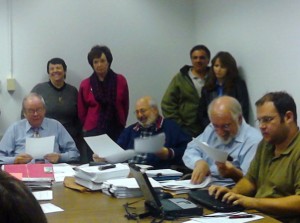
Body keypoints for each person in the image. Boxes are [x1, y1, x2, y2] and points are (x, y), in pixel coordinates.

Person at [209, 92, 300, 223]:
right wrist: (232, 194)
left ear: (288, 117)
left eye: (267, 120)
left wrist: (253, 202)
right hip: (256, 215)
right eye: (260, 120)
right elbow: (251, 180)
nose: (261, 126)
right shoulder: (267, 144)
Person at [94, 96, 191, 169]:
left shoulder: (171, 128)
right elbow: (117, 152)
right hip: (129, 173)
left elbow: (188, 150)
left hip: (155, 174)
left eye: (143, 111)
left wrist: (168, 153)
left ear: (155, 110)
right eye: (137, 112)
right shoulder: (130, 130)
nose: (140, 115)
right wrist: (104, 157)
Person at [183, 96, 261, 186]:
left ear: (239, 119)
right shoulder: (211, 128)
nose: (220, 132)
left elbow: (250, 184)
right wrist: (198, 162)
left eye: (226, 126)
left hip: (230, 191)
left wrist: (233, 173)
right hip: (202, 186)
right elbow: (191, 148)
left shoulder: (253, 141)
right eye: (216, 126)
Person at [78, 45, 129, 161]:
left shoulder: (120, 80)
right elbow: (82, 112)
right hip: (94, 132)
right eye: (95, 62)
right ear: (92, 64)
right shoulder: (85, 84)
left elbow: (125, 106)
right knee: (94, 165)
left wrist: (120, 122)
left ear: (109, 62)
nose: (99, 65)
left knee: (116, 164)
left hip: (116, 129)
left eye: (102, 61)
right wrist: (88, 127)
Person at [0, 93, 80, 164]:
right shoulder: (15, 128)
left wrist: (60, 157)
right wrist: (15, 160)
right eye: (31, 111)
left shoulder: (56, 125)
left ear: (44, 110)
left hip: (53, 173)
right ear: (24, 113)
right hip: (23, 173)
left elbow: (75, 153)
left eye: (39, 109)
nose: (36, 114)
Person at [30, 58, 81, 149]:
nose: (55, 71)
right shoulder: (39, 89)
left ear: (64, 71)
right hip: (45, 138)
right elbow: (27, 112)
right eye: (52, 69)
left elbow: (79, 116)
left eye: (58, 68)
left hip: (69, 139)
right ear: (48, 73)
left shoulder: (73, 91)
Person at [161, 45, 210, 137]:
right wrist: (179, 126)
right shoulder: (180, 78)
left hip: (211, 129)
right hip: (187, 129)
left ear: (208, 60)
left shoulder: (214, 78)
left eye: (202, 58)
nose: (198, 60)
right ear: (191, 60)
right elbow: (167, 104)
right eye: (195, 58)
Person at [201, 52, 250, 126]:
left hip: (233, 126)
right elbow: (202, 112)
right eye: (216, 66)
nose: (218, 69)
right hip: (212, 127)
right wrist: (211, 126)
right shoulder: (207, 87)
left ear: (229, 68)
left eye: (222, 67)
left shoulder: (238, 85)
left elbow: (243, 109)